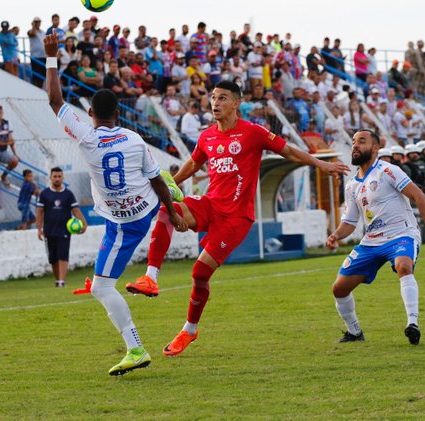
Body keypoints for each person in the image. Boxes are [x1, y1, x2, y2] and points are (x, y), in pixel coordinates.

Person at [125, 79, 350, 357]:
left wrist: (320, 163)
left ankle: (189, 330)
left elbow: (288, 150)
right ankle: (150, 277)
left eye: (222, 98)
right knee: (166, 210)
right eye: (213, 98)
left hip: (236, 218)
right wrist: (168, 184)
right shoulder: (207, 136)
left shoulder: (253, 132)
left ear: (235, 103)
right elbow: (195, 163)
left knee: (199, 273)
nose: (215, 103)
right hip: (209, 204)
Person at [43, 31, 187, 376]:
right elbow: (152, 178)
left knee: (102, 286)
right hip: (145, 204)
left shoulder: (87, 137)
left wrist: (52, 57)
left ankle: (136, 348)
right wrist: (171, 209)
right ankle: (173, 187)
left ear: (89, 112)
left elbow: (54, 100)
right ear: (118, 113)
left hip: (125, 221)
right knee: (155, 176)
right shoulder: (135, 139)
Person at [326, 129, 425, 346]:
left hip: (401, 233)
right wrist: (335, 235)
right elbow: (350, 222)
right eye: (353, 141)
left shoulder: (388, 171)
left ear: (375, 148)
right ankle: (355, 333)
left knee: (403, 266)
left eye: (361, 141)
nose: (355, 145)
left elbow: (419, 196)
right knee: (339, 288)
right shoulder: (352, 185)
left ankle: (412, 324)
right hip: (372, 241)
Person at [36, 167, 87, 287]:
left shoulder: (68, 194)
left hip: (64, 230)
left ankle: (62, 281)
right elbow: (39, 212)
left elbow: (75, 210)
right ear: (50, 177)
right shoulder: (44, 194)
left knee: (63, 255)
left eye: (59, 176)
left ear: (63, 177)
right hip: (49, 230)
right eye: (55, 176)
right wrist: (39, 229)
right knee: (53, 258)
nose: (57, 179)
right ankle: (57, 280)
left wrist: (84, 223)